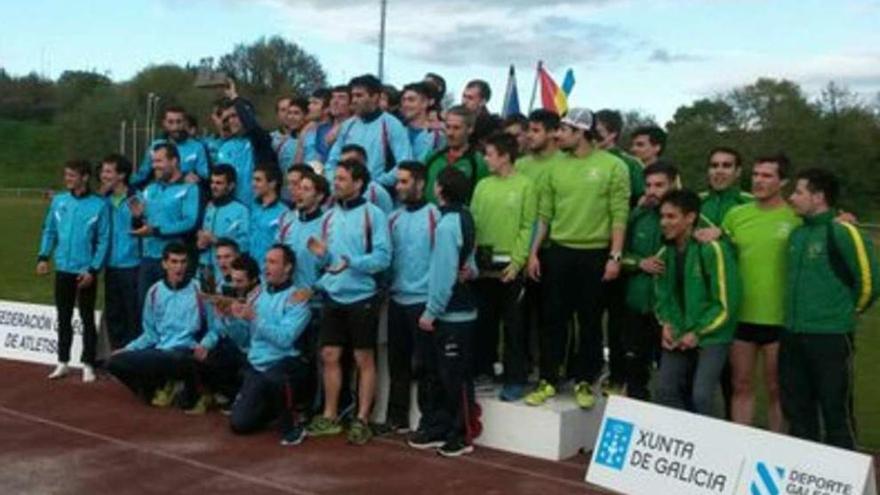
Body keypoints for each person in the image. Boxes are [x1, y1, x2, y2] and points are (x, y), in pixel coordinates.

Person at [524, 108, 630, 409]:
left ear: (581, 132)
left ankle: (585, 379)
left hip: (595, 253)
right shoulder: (555, 168)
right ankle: (548, 379)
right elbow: (544, 215)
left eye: (564, 130)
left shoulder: (612, 166)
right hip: (559, 251)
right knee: (553, 318)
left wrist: (615, 256)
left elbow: (618, 215)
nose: (558, 135)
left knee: (590, 320)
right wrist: (534, 252)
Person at [700, 154, 801, 431]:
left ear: (783, 181)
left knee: (776, 387)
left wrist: (843, 217)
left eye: (767, 175)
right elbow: (722, 248)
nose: (759, 180)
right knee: (740, 385)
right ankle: (740, 443)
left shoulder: (795, 216)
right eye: (756, 174)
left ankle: (775, 447)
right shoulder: (737, 214)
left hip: (779, 317)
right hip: (741, 314)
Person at [782, 168, 879, 449]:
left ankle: (847, 481)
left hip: (831, 337)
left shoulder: (842, 231)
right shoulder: (797, 236)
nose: (792, 198)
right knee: (798, 411)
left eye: (799, 192)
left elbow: (871, 281)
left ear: (819, 197)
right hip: (792, 335)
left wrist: (845, 314)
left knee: (836, 411)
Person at [306, 159, 391, 445]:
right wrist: (323, 257)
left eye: (342, 179)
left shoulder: (374, 215)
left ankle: (362, 419)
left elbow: (383, 258)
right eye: (335, 178)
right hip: (334, 295)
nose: (335, 183)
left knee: (363, 358)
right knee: (329, 355)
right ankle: (330, 415)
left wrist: (349, 262)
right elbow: (331, 261)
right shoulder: (329, 216)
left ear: (358, 183)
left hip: (362, 296)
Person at [408, 166, 480, 457]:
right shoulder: (465, 217)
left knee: (454, 377)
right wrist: (471, 270)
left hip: (453, 314)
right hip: (455, 311)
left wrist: (431, 311)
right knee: (439, 374)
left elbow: (443, 271)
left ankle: (462, 434)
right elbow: (468, 261)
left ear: (440, 190)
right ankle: (439, 427)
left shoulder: (448, 224)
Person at [654, 190, 740, 417]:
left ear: (690, 218)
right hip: (679, 331)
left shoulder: (712, 249)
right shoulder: (665, 253)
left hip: (712, 333)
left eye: (671, 217)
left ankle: (712, 445)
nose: (664, 222)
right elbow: (663, 296)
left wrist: (698, 333)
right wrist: (667, 324)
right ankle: (685, 441)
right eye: (662, 216)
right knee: (664, 390)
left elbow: (726, 303)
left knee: (701, 396)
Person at [469, 132, 536, 401]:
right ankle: (483, 371)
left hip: (511, 266)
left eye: (489, 154)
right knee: (484, 322)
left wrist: (518, 262)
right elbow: (473, 222)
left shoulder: (525, 186)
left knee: (514, 326)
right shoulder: (483, 185)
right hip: (482, 266)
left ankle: (515, 378)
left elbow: (527, 226)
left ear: (505, 156)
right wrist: (470, 259)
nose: (485, 159)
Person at [228, 245, 314, 446]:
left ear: (288, 268)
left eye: (273, 262)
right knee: (239, 424)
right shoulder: (255, 295)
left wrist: (255, 319)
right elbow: (243, 340)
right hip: (257, 365)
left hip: (286, 363)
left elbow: (285, 339)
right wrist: (229, 320)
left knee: (275, 377)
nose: (266, 267)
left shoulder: (297, 298)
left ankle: (292, 425)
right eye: (265, 261)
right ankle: (270, 408)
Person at [37, 159, 110, 382]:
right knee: (64, 316)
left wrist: (93, 270)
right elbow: (49, 230)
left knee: (87, 317)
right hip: (63, 269)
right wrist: (43, 256)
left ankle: (88, 363)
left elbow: (103, 240)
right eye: (66, 175)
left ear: (85, 177)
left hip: (85, 271)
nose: (67, 179)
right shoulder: (59, 201)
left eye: (71, 175)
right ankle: (63, 361)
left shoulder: (99, 205)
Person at [106, 243, 202, 406]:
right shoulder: (154, 291)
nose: (179, 267)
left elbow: (213, 326)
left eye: (183, 262)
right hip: (161, 351)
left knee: (176, 359)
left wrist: (206, 343)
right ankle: (153, 390)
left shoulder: (199, 289)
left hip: (186, 352)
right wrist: (129, 348)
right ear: (164, 264)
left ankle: (173, 388)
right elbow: (150, 334)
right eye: (174, 262)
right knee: (114, 362)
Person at [385, 161, 440, 432]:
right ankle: (397, 418)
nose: (399, 187)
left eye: (404, 182)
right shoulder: (393, 218)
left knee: (426, 365)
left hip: (422, 301)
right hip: (396, 299)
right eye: (398, 182)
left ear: (420, 184)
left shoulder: (435, 216)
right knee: (398, 364)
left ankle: (428, 420)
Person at [594, 109, 647, 393]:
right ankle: (586, 373)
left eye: (598, 131)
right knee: (588, 317)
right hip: (586, 248)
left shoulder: (629, 164)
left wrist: (620, 251)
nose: (592, 136)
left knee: (617, 321)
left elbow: (639, 205)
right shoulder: (580, 160)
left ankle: (618, 377)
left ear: (612, 134)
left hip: (617, 253)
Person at [620, 162, 678, 400]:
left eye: (659, 185)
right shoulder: (637, 216)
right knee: (635, 370)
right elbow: (617, 255)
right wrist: (638, 263)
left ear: (673, 184)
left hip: (670, 308)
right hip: (637, 303)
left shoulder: (686, 217)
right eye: (649, 185)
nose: (653, 191)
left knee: (671, 377)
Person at [130, 143, 200, 315]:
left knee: (170, 312)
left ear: (174, 161)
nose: (155, 166)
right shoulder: (150, 189)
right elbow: (142, 222)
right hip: (148, 259)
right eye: (153, 162)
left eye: (159, 161)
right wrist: (137, 217)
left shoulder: (189, 189)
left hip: (173, 261)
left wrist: (157, 231)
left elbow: (190, 222)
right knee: (145, 310)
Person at [187, 248, 254, 414]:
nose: (223, 262)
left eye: (227, 256)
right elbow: (215, 328)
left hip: (251, 351)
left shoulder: (257, 297)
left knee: (225, 351)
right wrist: (205, 344)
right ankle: (219, 394)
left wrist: (229, 317)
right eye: (219, 257)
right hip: (230, 345)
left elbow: (244, 339)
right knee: (197, 354)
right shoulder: (218, 290)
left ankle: (239, 396)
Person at [325, 74, 413, 188]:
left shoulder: (392, 125)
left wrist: (376, 184)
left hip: (377, 192)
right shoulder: (347, 126)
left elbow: (404, 163)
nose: (355, 100)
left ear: (375, 97)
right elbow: (332, 161)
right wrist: (334, 180)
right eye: (353, 96)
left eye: (359, 95)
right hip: (344, 191)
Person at [98, 154, 142, 349]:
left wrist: (139, 218)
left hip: (131, 264)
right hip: (110, 264)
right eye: (103, 171)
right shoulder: (103, 200)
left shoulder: (136, 198)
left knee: (131, 311)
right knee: (113, 312)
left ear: (122, 175)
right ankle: (117, 354)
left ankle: (132, 354)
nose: (103, 175)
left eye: (108, 171)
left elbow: (143, 228)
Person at [217, 80, 277, 207]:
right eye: (228, 118)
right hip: (233, 210)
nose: (231, 121)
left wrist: (234, 97)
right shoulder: (224, 147)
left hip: (258, 207)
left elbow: (252, 127)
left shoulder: (261, 140)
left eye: (235, 116)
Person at [424, 105, 489, 204]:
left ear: (470, 129)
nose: (450, 133)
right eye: (448, 127)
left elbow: (482, 200)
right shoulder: (432, 157)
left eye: (456, 128)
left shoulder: (478, 162)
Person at [131, 106, 210, 188]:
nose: (175, 127)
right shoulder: (155, 146)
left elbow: (205, 176)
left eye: (179, 122)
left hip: (186, 193)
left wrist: (192, 178)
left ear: (185, 123)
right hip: (160, 193)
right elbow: (143, 175)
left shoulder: (198, 147)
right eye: (170, 122)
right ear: (164, 123)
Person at [197, 165, 250, 284]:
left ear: (231, 186)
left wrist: (216, 240)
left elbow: (245, 244)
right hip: (205, 268)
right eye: (212, 182)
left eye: (219, 183)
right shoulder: (209, 207)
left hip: (228, 272)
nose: (213, 187)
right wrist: (200, 243)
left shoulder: (241, 210)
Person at [697, 147, 753, 228]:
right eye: (714, 166)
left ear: (738, 172)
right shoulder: (694, 202)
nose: (719, 171)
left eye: (726, 166)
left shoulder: (751, 203)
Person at [249, 163, 289, 271]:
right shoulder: (252, 207)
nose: (253, 184)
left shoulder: (284, 213)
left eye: (258, 180)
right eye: (253, 180)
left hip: (270, 271)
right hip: (250, 271)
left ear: (272, 183)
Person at [339, 144, 394, 214]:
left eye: (349, 163)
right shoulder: (336, 190)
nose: (343, 167)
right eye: (342, 164)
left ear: (363, 163)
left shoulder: (377, 193)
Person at [401, 82, 446, 161]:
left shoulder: (438, 136)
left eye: (411, 100)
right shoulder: (396, 131)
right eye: (403, 100)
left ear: (425, 103)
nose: (406, 104)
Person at [295, 89, 334, 166]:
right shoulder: (306, 130)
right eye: (310, 103)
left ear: (327, 109)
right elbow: (298, 160)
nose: (309, 107)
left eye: (315, 103)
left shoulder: (334, 131)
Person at [461, 79, 499, 147]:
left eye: (470, 98)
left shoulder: (492, 126)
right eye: (464, 96)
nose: (464, 101)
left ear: (482, 101)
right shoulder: (456, 118)